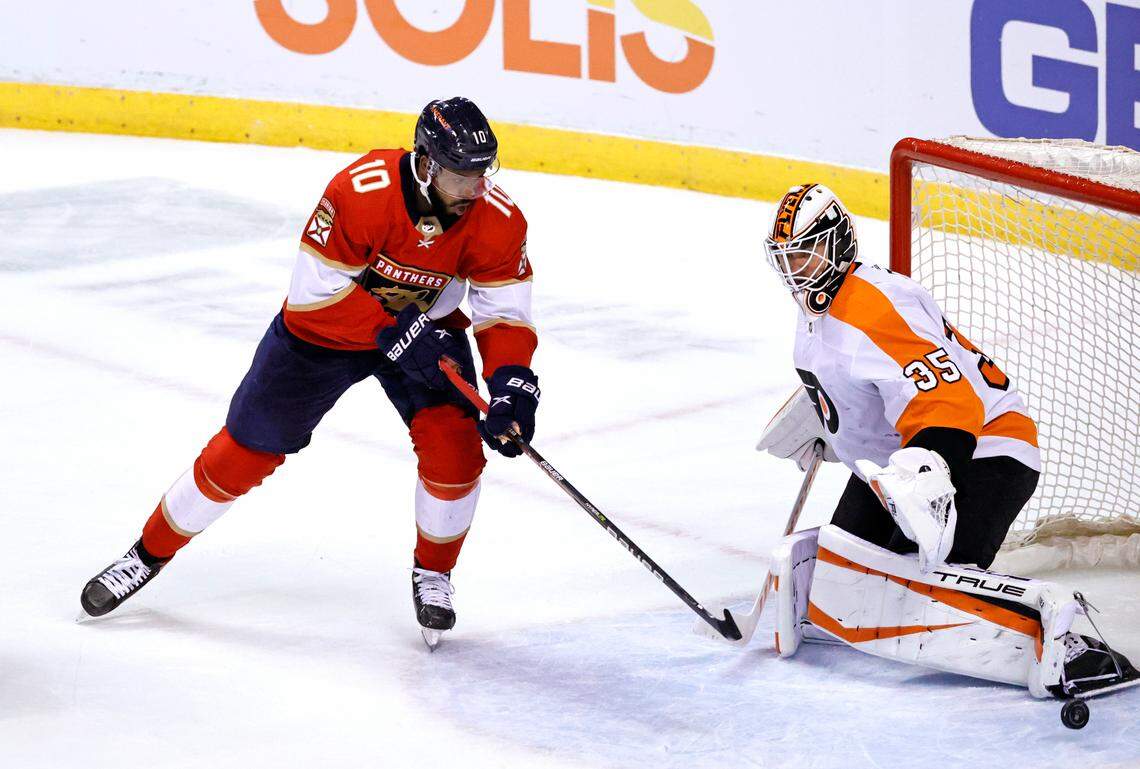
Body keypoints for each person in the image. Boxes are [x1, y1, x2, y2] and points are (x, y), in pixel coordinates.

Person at [80, 97, 541, 648]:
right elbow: (313, 295)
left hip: (427, 334)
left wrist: (511, 381)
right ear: (424, 162)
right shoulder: (361, 191)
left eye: (482, 174)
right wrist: (394, 329)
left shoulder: (498, 217)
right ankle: (145, 555)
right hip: (327, 334)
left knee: (456, 452)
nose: (474, 188)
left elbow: (504, 311)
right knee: (247, 447)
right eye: (459, 175)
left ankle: (434, 573)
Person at [756, 183, 1135, 700]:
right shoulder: (819, 310)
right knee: (845, 575)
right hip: (903, 458)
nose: (796, 270)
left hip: (984, 450)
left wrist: (926, 481)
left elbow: (953, 404)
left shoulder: (876, 306)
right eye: (786, 258)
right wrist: (827, 422)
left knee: (919, 587)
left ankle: (1066, 643)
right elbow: (870, 379)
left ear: (838, 243)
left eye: (806, 254)